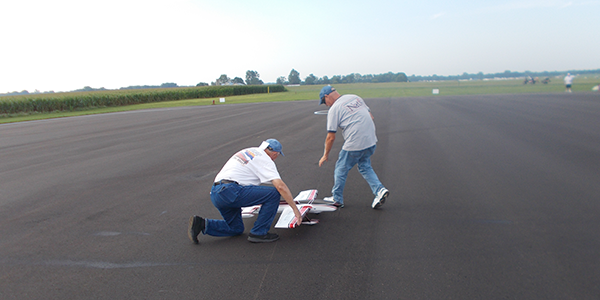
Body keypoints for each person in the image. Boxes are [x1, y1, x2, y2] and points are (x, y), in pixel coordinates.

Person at [188, 139, 301, 244]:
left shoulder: (248, 151)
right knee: (274, 193)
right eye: (276, 156)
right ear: (275, 153)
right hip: (231, 191)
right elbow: (280, 187)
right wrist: (295, 210)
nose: (275, 158)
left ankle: (202, 224)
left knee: (236, 229)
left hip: (216, 193)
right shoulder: (265, 159)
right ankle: (259, 232)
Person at [318, 85, 389, 209]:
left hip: (355, 143)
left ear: (327, 96)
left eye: (325, 102)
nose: (326, 105)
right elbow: (371, 116)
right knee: (365, 166)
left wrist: (325, 155)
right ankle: (379, 190)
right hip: (371, 140)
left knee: (341, 168)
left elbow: (331, 137)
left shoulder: (334, 109)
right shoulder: (354, 97)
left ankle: (337, 199)